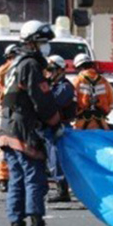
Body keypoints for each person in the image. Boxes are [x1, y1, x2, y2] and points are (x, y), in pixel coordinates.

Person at [0, 20, 66, 226]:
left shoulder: (15, 65)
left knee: (16, 182)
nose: (46, 47)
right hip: (24, 130)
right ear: (32, 44)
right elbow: (43, 101)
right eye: (43, 42)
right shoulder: (30, 66)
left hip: (8, 129)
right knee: (34, 180)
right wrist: (56, 122)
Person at [44, 55, 76, 203]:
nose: (48, 73)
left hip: (60, 126)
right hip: (48, 126)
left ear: (59, 70)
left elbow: (54, 103)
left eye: (51, 70)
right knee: (48, 158)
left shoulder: (65, 86)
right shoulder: (51, 85)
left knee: (56, 157)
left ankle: (63, 190)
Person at [0, 44, 21, 191]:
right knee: (8, 146)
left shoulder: (6, 70)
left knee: (7, 146)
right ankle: (4, 177)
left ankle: (6, 178)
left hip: (10, 111)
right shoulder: (11, 69)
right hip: (11, 111)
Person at [72, 54, 113, 131]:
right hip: (101, 125)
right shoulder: (104, 81)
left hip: (81, 126)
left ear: (79, 67)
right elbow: (112, 103)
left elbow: (72, 102)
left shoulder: (77, 81)